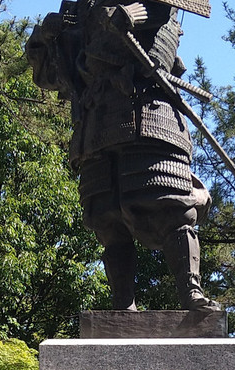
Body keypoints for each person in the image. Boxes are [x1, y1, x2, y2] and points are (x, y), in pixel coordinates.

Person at [26, 0, 220, 311]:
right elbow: (53, 74)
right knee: (105, 213)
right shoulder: (80, 7)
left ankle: (191, 293)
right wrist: (46, 39)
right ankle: (122, 304)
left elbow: (163, 10)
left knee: (171, 204)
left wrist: (130, 14)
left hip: (148, 106)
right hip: (97, 115)